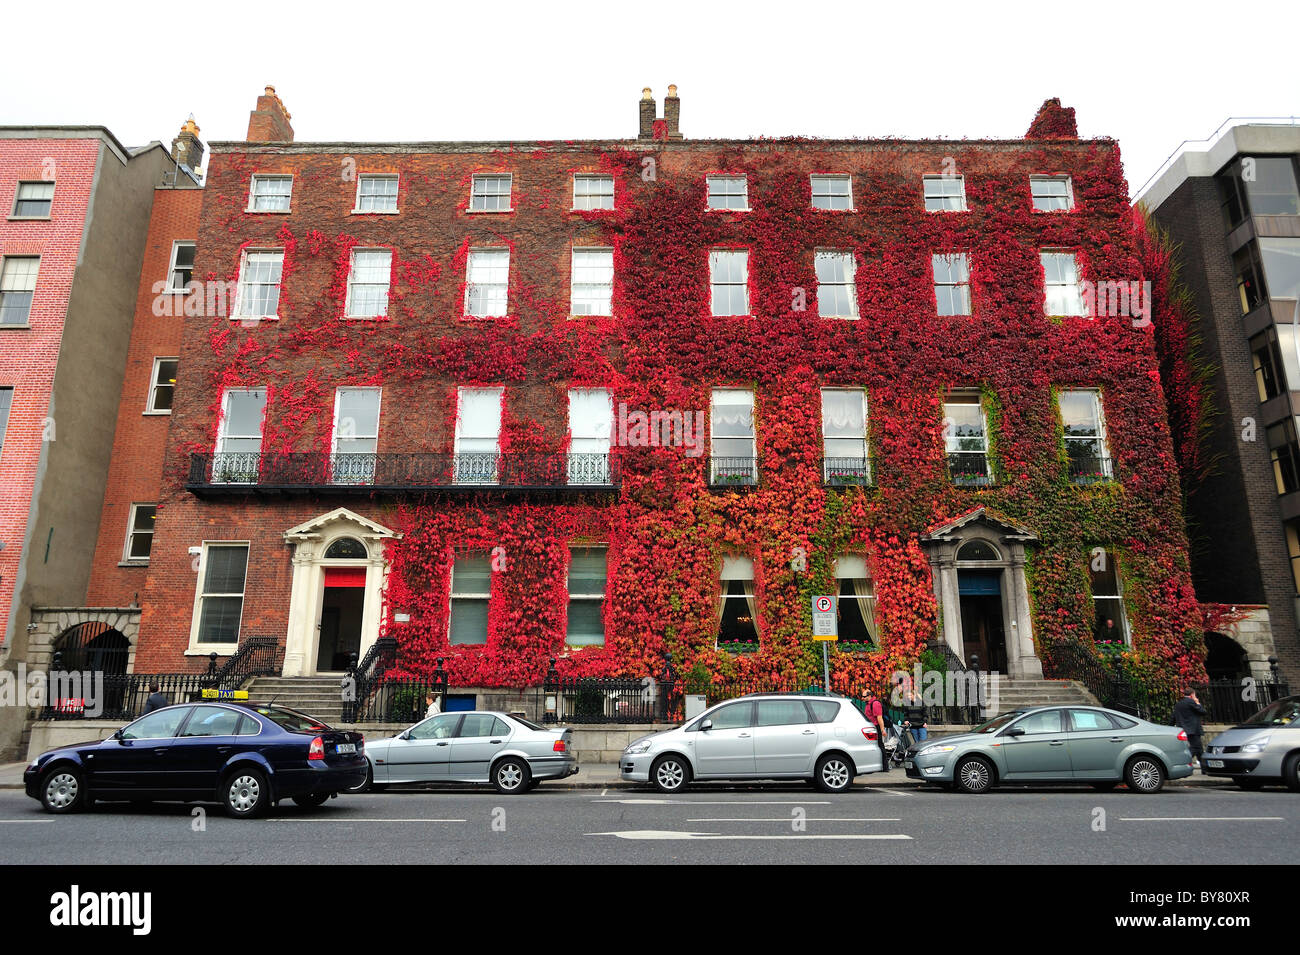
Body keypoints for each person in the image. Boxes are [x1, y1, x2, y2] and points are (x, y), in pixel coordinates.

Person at [1172, 688, 1207, 772]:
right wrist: (1198, 702)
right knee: (1195, 748)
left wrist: (1170, 726)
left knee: (1199, 750)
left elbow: (1173, 717)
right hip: (1193, 730)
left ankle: (1204, 769)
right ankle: (1182, 763)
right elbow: (1202, 711)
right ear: (1192, 695)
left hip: (1183, 730)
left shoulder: (1178, 704)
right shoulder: (1191, 702)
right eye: (1194, 695)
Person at [863, 690, 888, 770]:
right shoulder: (868, 704)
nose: (862, 698)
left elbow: (879, 717)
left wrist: (882, 730)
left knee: (880, 746)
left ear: (869, 696)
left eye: (864, 696)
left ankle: (885, 766)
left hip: (876, 728)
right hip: (870, 728)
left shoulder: (875, 703)